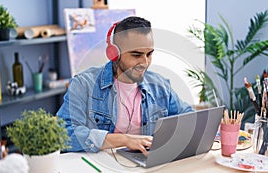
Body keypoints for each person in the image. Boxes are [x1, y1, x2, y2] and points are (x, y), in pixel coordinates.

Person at [57, 16, 194, 156]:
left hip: (146, 163)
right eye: (136, 55)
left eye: (149, 54)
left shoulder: (160, 85)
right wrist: (123, 140)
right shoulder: (84, 84)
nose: (144, 62)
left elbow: (189, 116)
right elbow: (64, 133)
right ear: (114, 54)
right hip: (103, 166)